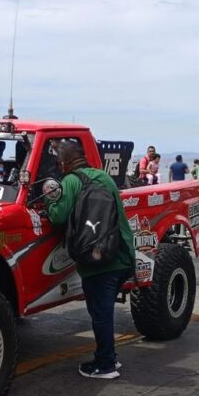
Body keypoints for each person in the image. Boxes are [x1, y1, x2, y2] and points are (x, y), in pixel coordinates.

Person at [45, 141, 135, 379]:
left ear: (64, 162)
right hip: (121, 254)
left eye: (58, 162)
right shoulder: (104, 178)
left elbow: (57, 216)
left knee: (100, 314)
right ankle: (110, 358)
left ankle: (105, 365)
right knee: (104, 312)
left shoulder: (71, 182)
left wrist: (48, 199)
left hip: (99, 261)